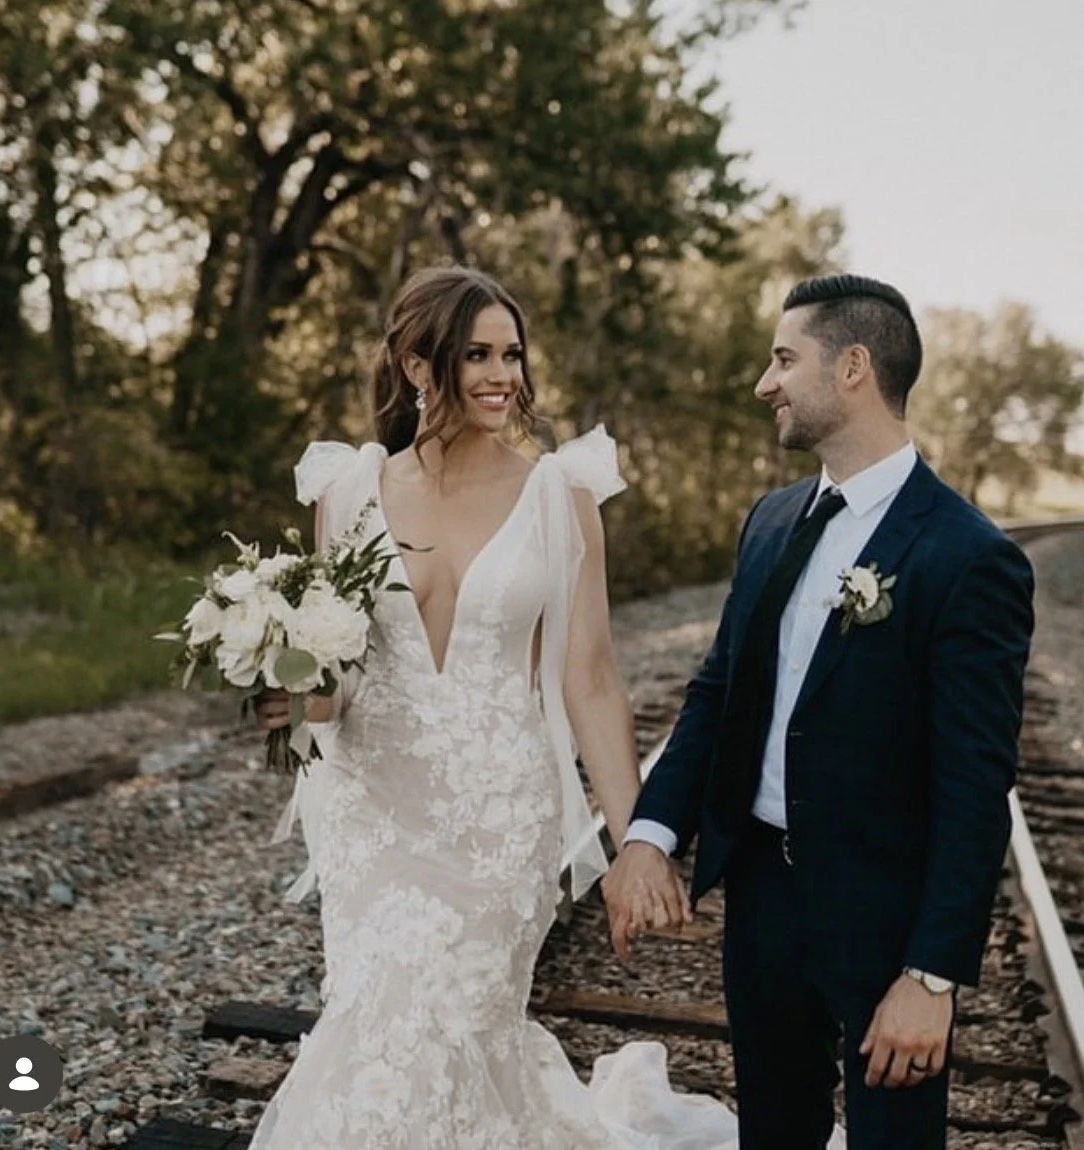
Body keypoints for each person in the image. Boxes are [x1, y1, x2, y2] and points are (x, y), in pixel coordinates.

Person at [248, 265, 745, 1147]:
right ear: (414, 363)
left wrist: (638, 843)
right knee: (378, 1027)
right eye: (474, 354)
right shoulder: (346, 490)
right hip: (372, 817)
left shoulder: (561, 494)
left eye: (510, 354)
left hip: (497, 823)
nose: (500, 376)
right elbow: (331, 687)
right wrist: (288, 689)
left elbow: (588, 677)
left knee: (451, 1029)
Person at [603, 274, 1036, 1150]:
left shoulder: (968, 557)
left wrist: (933, 975)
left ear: (850, 367)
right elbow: (717, 693)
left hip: (883, 918)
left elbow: (973, 783)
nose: (765, 384)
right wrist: (648, 834)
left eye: (781, 359)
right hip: (760, 895)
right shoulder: (769, 521)